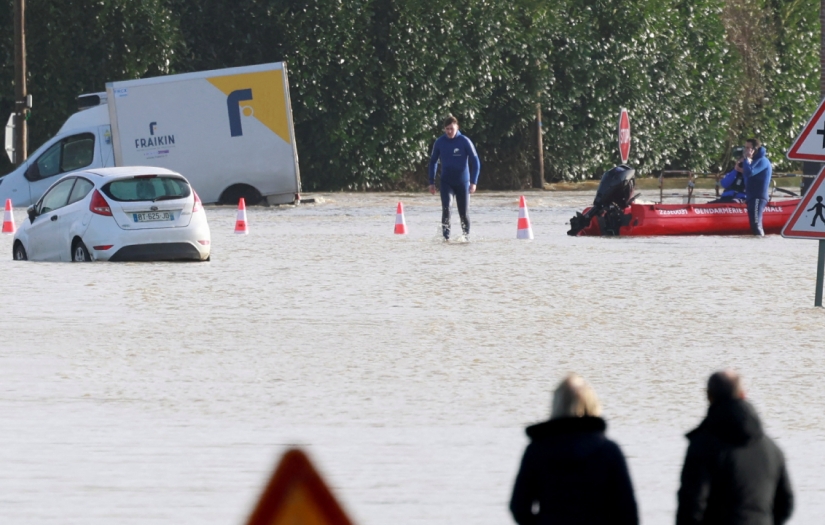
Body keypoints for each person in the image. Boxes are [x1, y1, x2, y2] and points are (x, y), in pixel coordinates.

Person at [509, 374, 638, 525]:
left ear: (556, 405)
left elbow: (518, 507)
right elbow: (628, 512)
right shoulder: (608, 451)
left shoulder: (537, 451)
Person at [676, 370, 793, 525]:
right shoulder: (772, 448)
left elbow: (691, 506)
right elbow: (786, 504)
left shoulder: (703, 446)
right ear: (743, 395)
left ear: (709, 397)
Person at [428, 116, 480, 240]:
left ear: (457, 127)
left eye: (451, 128)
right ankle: (446, 238)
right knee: (446, 209)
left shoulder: (464, 141)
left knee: (464, 213)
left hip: (463, 182)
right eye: (447, 129)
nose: (449, 131)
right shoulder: (440, 142)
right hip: (446, 182)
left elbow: (476, 161)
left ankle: (466, 238)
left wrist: (474, 182)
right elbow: (433, 162)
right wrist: (431, 182)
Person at [742, 138, 772, 235]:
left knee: (756, 224)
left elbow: (750, 172)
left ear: (755, 149)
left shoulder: (762, 160)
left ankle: (762, 244)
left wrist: (746, 159)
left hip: (758, 197)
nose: (746, 150)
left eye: (748, 148)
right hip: (751, 197)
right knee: (752, 225)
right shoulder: (753, 161)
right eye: (745, 148)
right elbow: (747, 174)